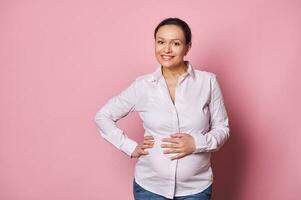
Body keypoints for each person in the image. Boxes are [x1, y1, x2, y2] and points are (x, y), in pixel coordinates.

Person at [94, 17, 230, 200]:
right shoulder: (142, 86)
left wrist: (197, 143)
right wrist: (129, 146)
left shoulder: (208, 82)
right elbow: (103, 116)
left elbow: (223, 129)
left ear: (188, 47)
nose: (166, 49)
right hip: (149, 188)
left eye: (175, 43)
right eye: (161, 42)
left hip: (195, 190)